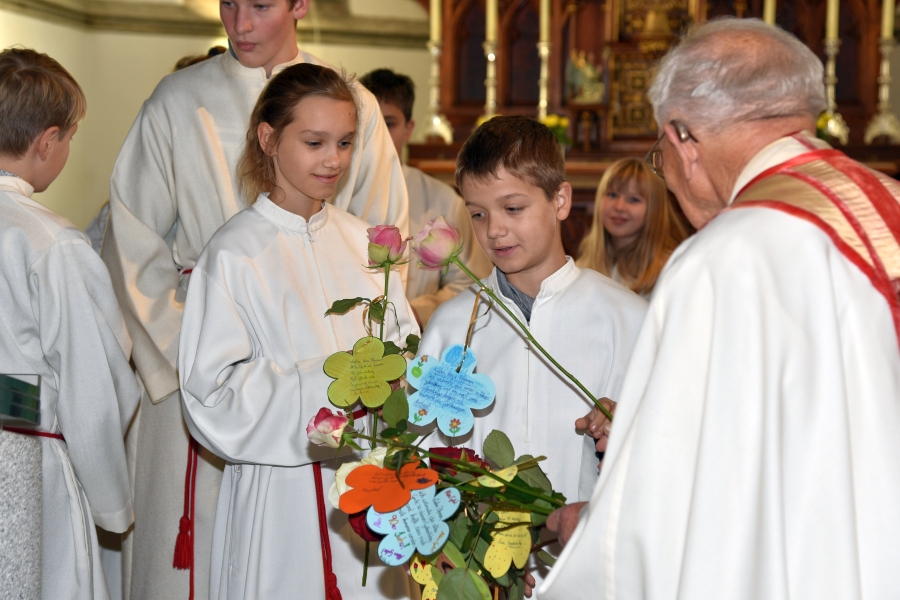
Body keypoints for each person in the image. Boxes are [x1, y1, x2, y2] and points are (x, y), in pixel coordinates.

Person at [539, 19, 900, 600]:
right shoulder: (888, 201)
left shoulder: (728, 257)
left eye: (661, 157)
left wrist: (589, 537)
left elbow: (670, 509)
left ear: (683, 139)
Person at [100, 2, 409, 598]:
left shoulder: (355, 103)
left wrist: (358, 374)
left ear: (301, 6)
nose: (239, 22)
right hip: (204, 351)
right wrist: (190, 359)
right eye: (229, 1)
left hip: (337, 365)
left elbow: (380, 237)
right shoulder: (175, 100)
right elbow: (132, 241)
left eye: (261, 5)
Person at [179, 63, 418, 599]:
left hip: (366, 487)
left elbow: (404, 349)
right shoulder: (234, 253)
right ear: (269, 138)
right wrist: (331, 382)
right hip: (277, 497)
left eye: (345, 142)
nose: (333, 159)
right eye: (314, 142)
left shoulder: (365, 246)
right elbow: (210, 394)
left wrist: (399, 383)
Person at [415, 116, 648, 596]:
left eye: (513, 208)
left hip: (587, 570)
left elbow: (665, 455)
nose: (494, 230)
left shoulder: (626, 319)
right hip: (476, 572)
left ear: (560, 200)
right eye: (477, 214)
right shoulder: (453, 323)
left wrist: (623, 429)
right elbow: (423, 453)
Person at [0, 47, 140, 600]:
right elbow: (93, 381)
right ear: (47, 141)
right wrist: (112, 499)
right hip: (20, 458)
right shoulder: (50, 243)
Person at [358, 68, 491, 327]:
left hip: (418, 338)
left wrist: (415, 313)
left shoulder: (443, 201)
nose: (378, 135)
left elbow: (471, 281)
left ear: (408, 129)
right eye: (368, 122)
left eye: (389, 123)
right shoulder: (331, 193)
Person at [576, 158, 688, 297]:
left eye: (633, 199)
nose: (619, 207)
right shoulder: (584, 263)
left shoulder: (669, 271)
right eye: (612, 195)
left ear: (654, 209)